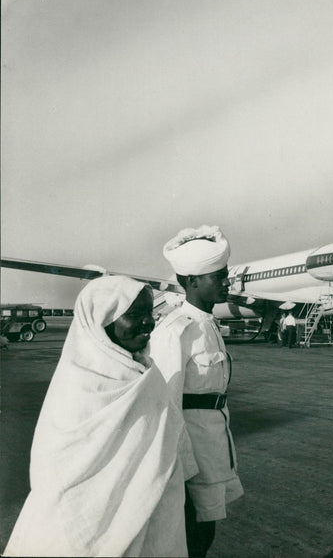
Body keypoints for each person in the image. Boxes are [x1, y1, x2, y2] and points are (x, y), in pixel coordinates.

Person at [4, 276, 193, 557]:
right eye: (135, 314)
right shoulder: (76, 385)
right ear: (100, 320)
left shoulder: (150, 376)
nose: (149, 323)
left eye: (149, 313)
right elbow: (59, 481)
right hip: (80, 533)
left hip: (154, 524)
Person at [149, 226, 244, 557]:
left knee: (203, 534)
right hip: (190, 455)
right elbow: (165, 403)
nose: (226, 283)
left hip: (212, 445)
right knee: (191, 537)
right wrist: (180, 466)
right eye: (218, 277)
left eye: (225, 275)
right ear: (191, 282)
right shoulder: (177, 330)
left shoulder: (207, 324)